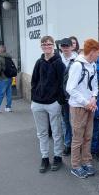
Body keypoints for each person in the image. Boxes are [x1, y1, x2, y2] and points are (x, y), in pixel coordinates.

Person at [30, 36, 66, 173]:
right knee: (42, 133)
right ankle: (45, 157)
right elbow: (34, 81)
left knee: (56, 132)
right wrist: (34, 97)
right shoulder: (39, 62)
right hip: (38, 103)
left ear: (53, 46)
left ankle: (57, 157)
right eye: (44, 44)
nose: (46, 46)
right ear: (41, 46)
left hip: (53, 103)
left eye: (49, 44)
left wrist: (59, 101)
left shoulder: (58, 63)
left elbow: (63, 83)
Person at [66, 39, 99, 179]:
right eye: (98, 53)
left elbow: (95, 85)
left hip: (89, 105)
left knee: (88, 136)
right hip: (78, 107)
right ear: (92, 52)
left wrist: (94, 97)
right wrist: (86, 102)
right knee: (78, 138)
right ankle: (76, 165)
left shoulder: (93, 65)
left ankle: (86, 161)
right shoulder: (77, 66)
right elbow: (70, 88)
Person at [59, 38, 77, 156]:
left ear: (71, 47)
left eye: (67, 46)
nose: (65, 48)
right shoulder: (57, 59)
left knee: (75, 122)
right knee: (65, 121)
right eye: (63, 46)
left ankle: (76, 145)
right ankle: (67, 144)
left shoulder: (77, 60)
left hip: (74, 96)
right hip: (61, 95)